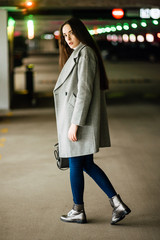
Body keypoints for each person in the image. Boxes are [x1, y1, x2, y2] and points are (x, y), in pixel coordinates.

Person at [53, 17, 131, 225]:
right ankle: (117, 204)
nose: (68, 38)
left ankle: (78, 209)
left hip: (79, 121)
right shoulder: (79, 53)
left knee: (76, 164)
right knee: (86, 163)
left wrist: (75, 123)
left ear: (80, 31)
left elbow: (84, 92)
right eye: (64, 35)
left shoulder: (85, 53)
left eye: (71, 33)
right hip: (78, 119)